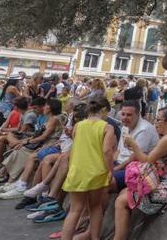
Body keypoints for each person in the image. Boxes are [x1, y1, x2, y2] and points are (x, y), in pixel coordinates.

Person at [113, 105, 167, 240]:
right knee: (124, 193)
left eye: (158, 120)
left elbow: (146, 160)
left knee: (121, 201)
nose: (155, 123)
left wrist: (133, 144)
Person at [61, 97, 117, 240]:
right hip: (97, 171)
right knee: (95, 206)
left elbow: (76, 144)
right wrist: (110, 170)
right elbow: (107, 151)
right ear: (103, 110)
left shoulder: (78, 126)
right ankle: (95, 238)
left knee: (75, 210)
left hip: (78, 170)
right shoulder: (107, 127)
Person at [112, 100, 160, 190]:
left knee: (105, 181)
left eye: (129, 115)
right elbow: (119, 150)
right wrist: (109, 163)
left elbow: (135, 158)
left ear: (138, 115)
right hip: (122, 163)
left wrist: (115, 169)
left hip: (137, 168)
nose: (125, 117)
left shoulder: (144, 130)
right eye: (123, 114)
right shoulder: (125, 126)